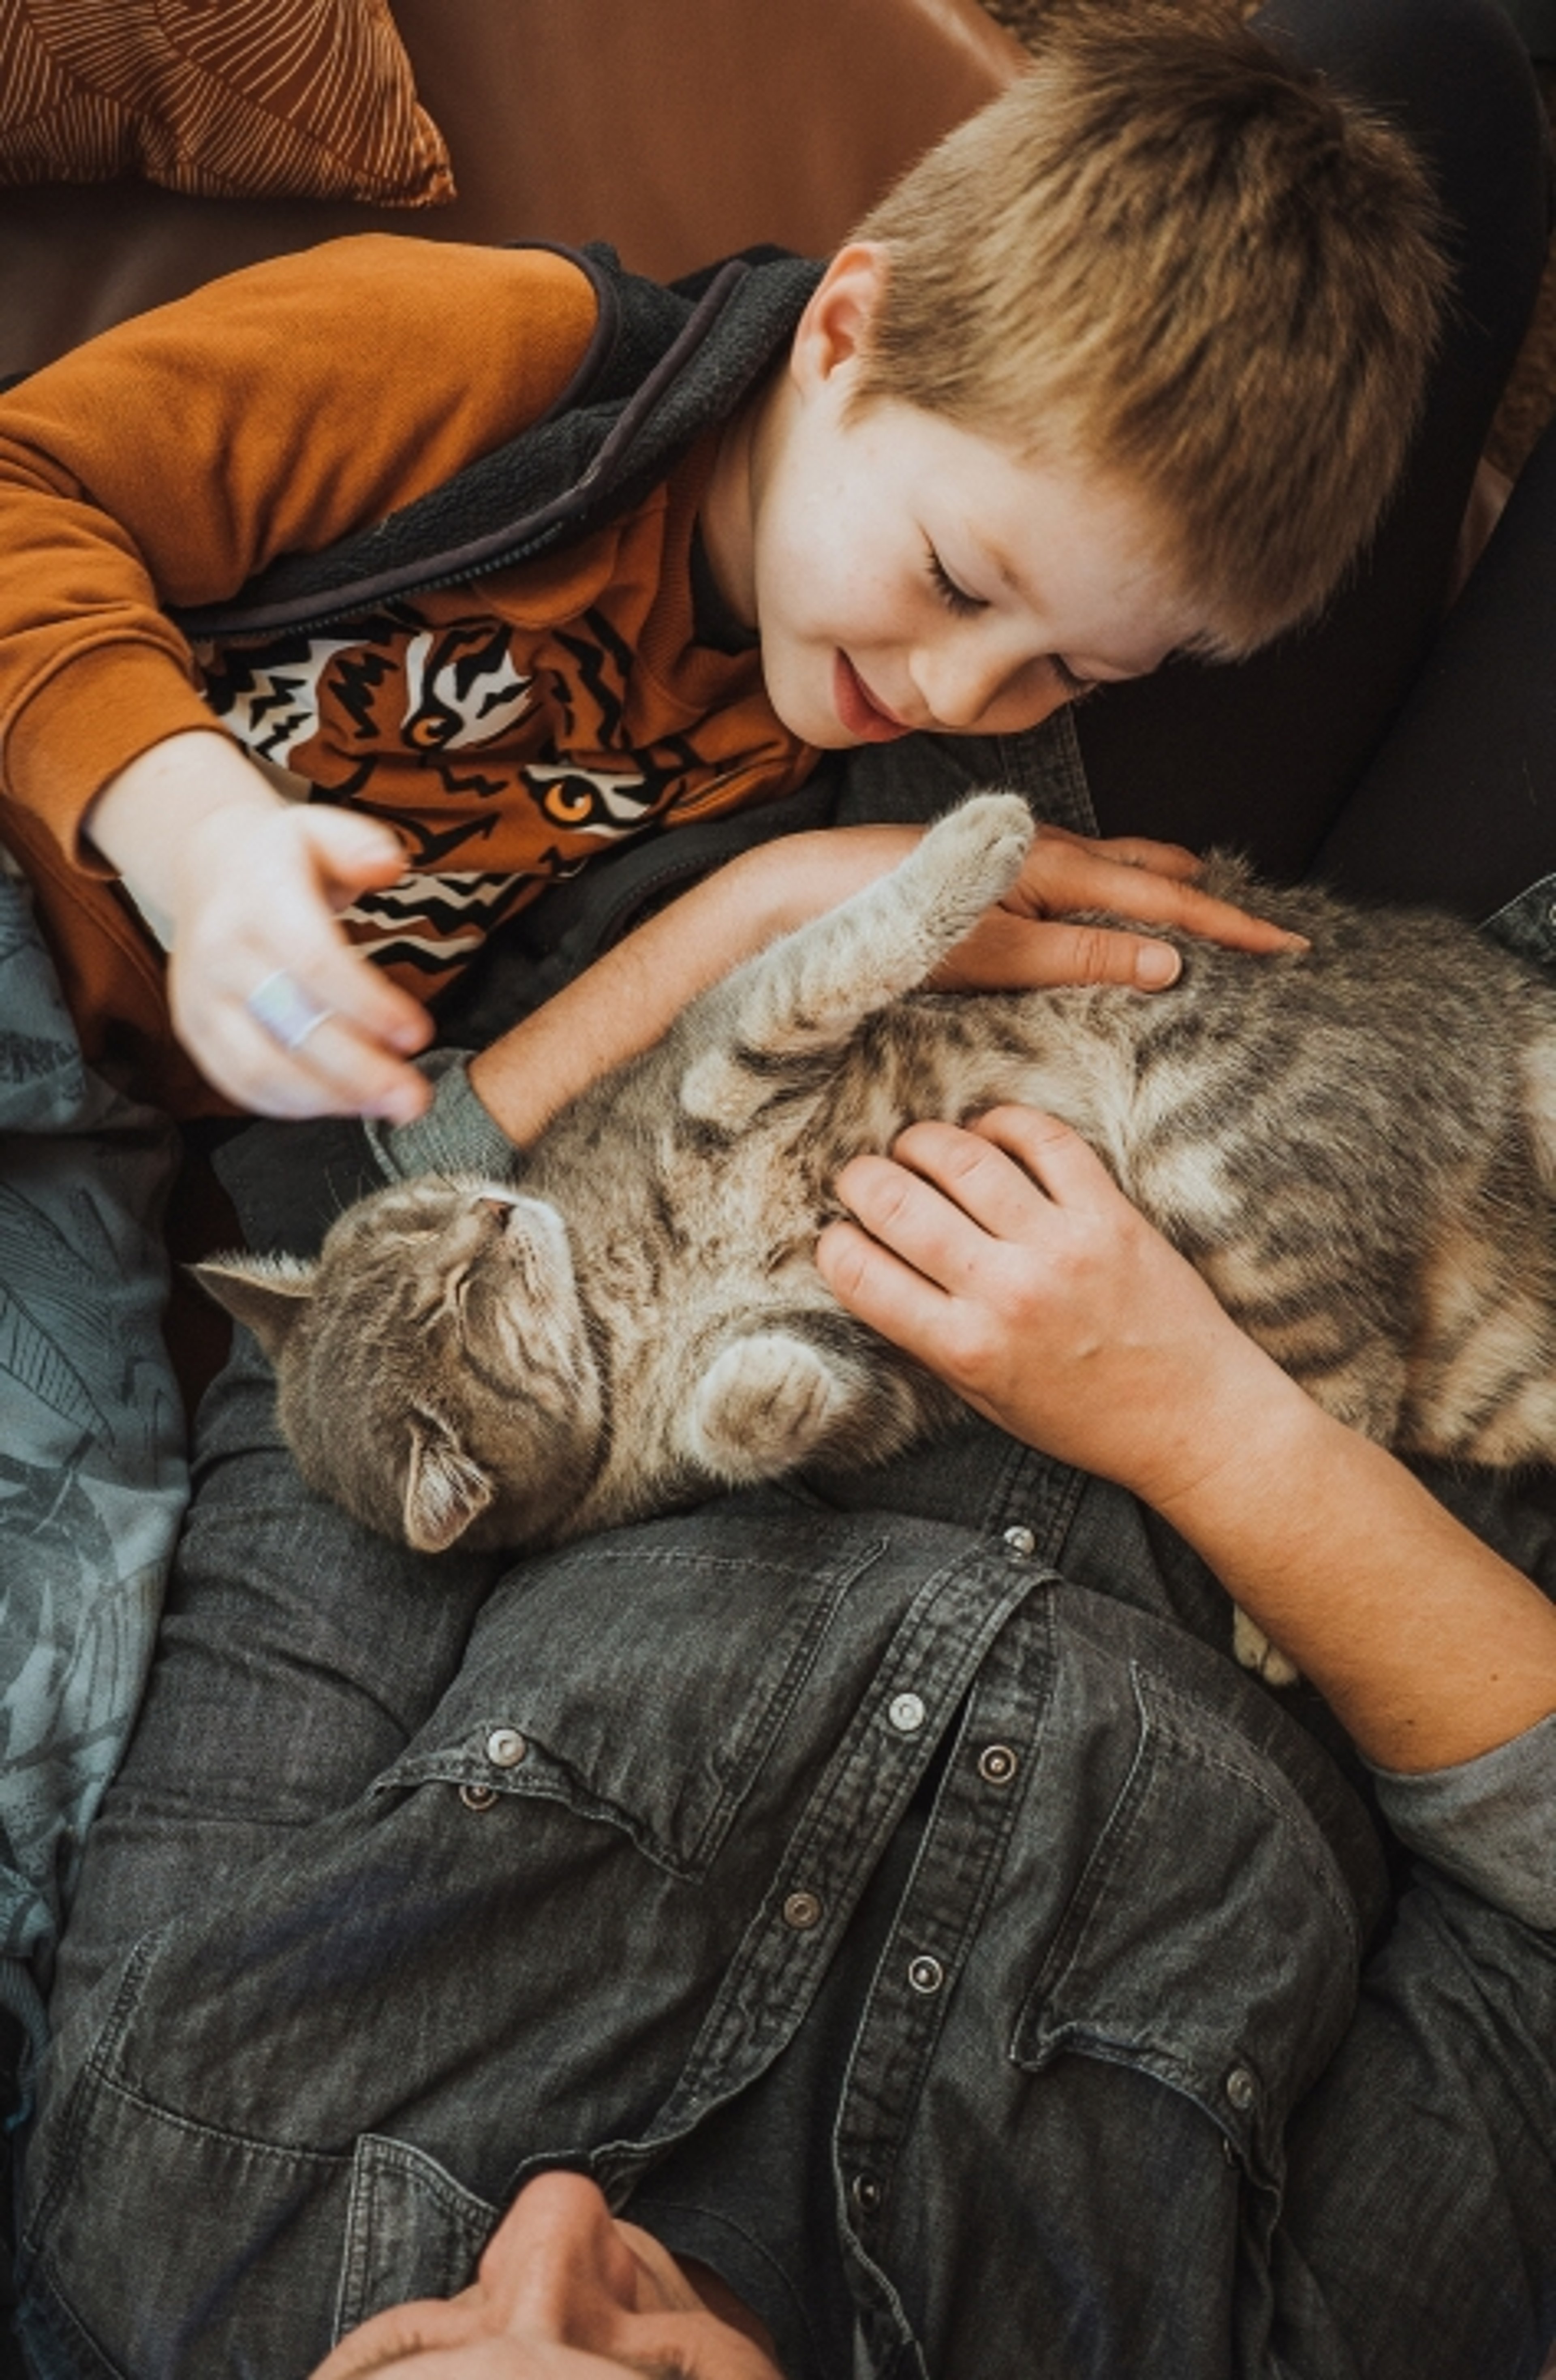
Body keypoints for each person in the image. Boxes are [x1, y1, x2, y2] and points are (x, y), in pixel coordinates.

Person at [4, 0, 1556, 2367]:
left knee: (1395, 103)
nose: (534, 2233)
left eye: (413, 2349)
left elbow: (351, 1320)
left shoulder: (172, 2194)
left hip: (762, 1024)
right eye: (626, 2361)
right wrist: (1209, 1423)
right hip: (1391, 1314)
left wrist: (755, 935)